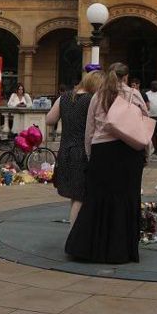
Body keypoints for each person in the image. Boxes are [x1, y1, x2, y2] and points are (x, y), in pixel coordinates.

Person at [66, 63, 148, 264]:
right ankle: (121, 250)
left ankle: (90, 248)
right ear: (126, 77)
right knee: (126, 199)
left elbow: (89, 130)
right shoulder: (135, 96)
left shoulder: (98, 96)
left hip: (102, 152)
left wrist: (90, 154)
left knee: (96, 200)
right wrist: (146, 154)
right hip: (129, 151)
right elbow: (144, 125)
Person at [47, 70, 98, 224]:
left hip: (65, 150)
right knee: (80, 197)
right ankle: (73, 237)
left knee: (75, 195)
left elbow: (50, 119)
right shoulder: (91, 100)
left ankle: (75, 233)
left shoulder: (64, 97)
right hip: (83, 152)